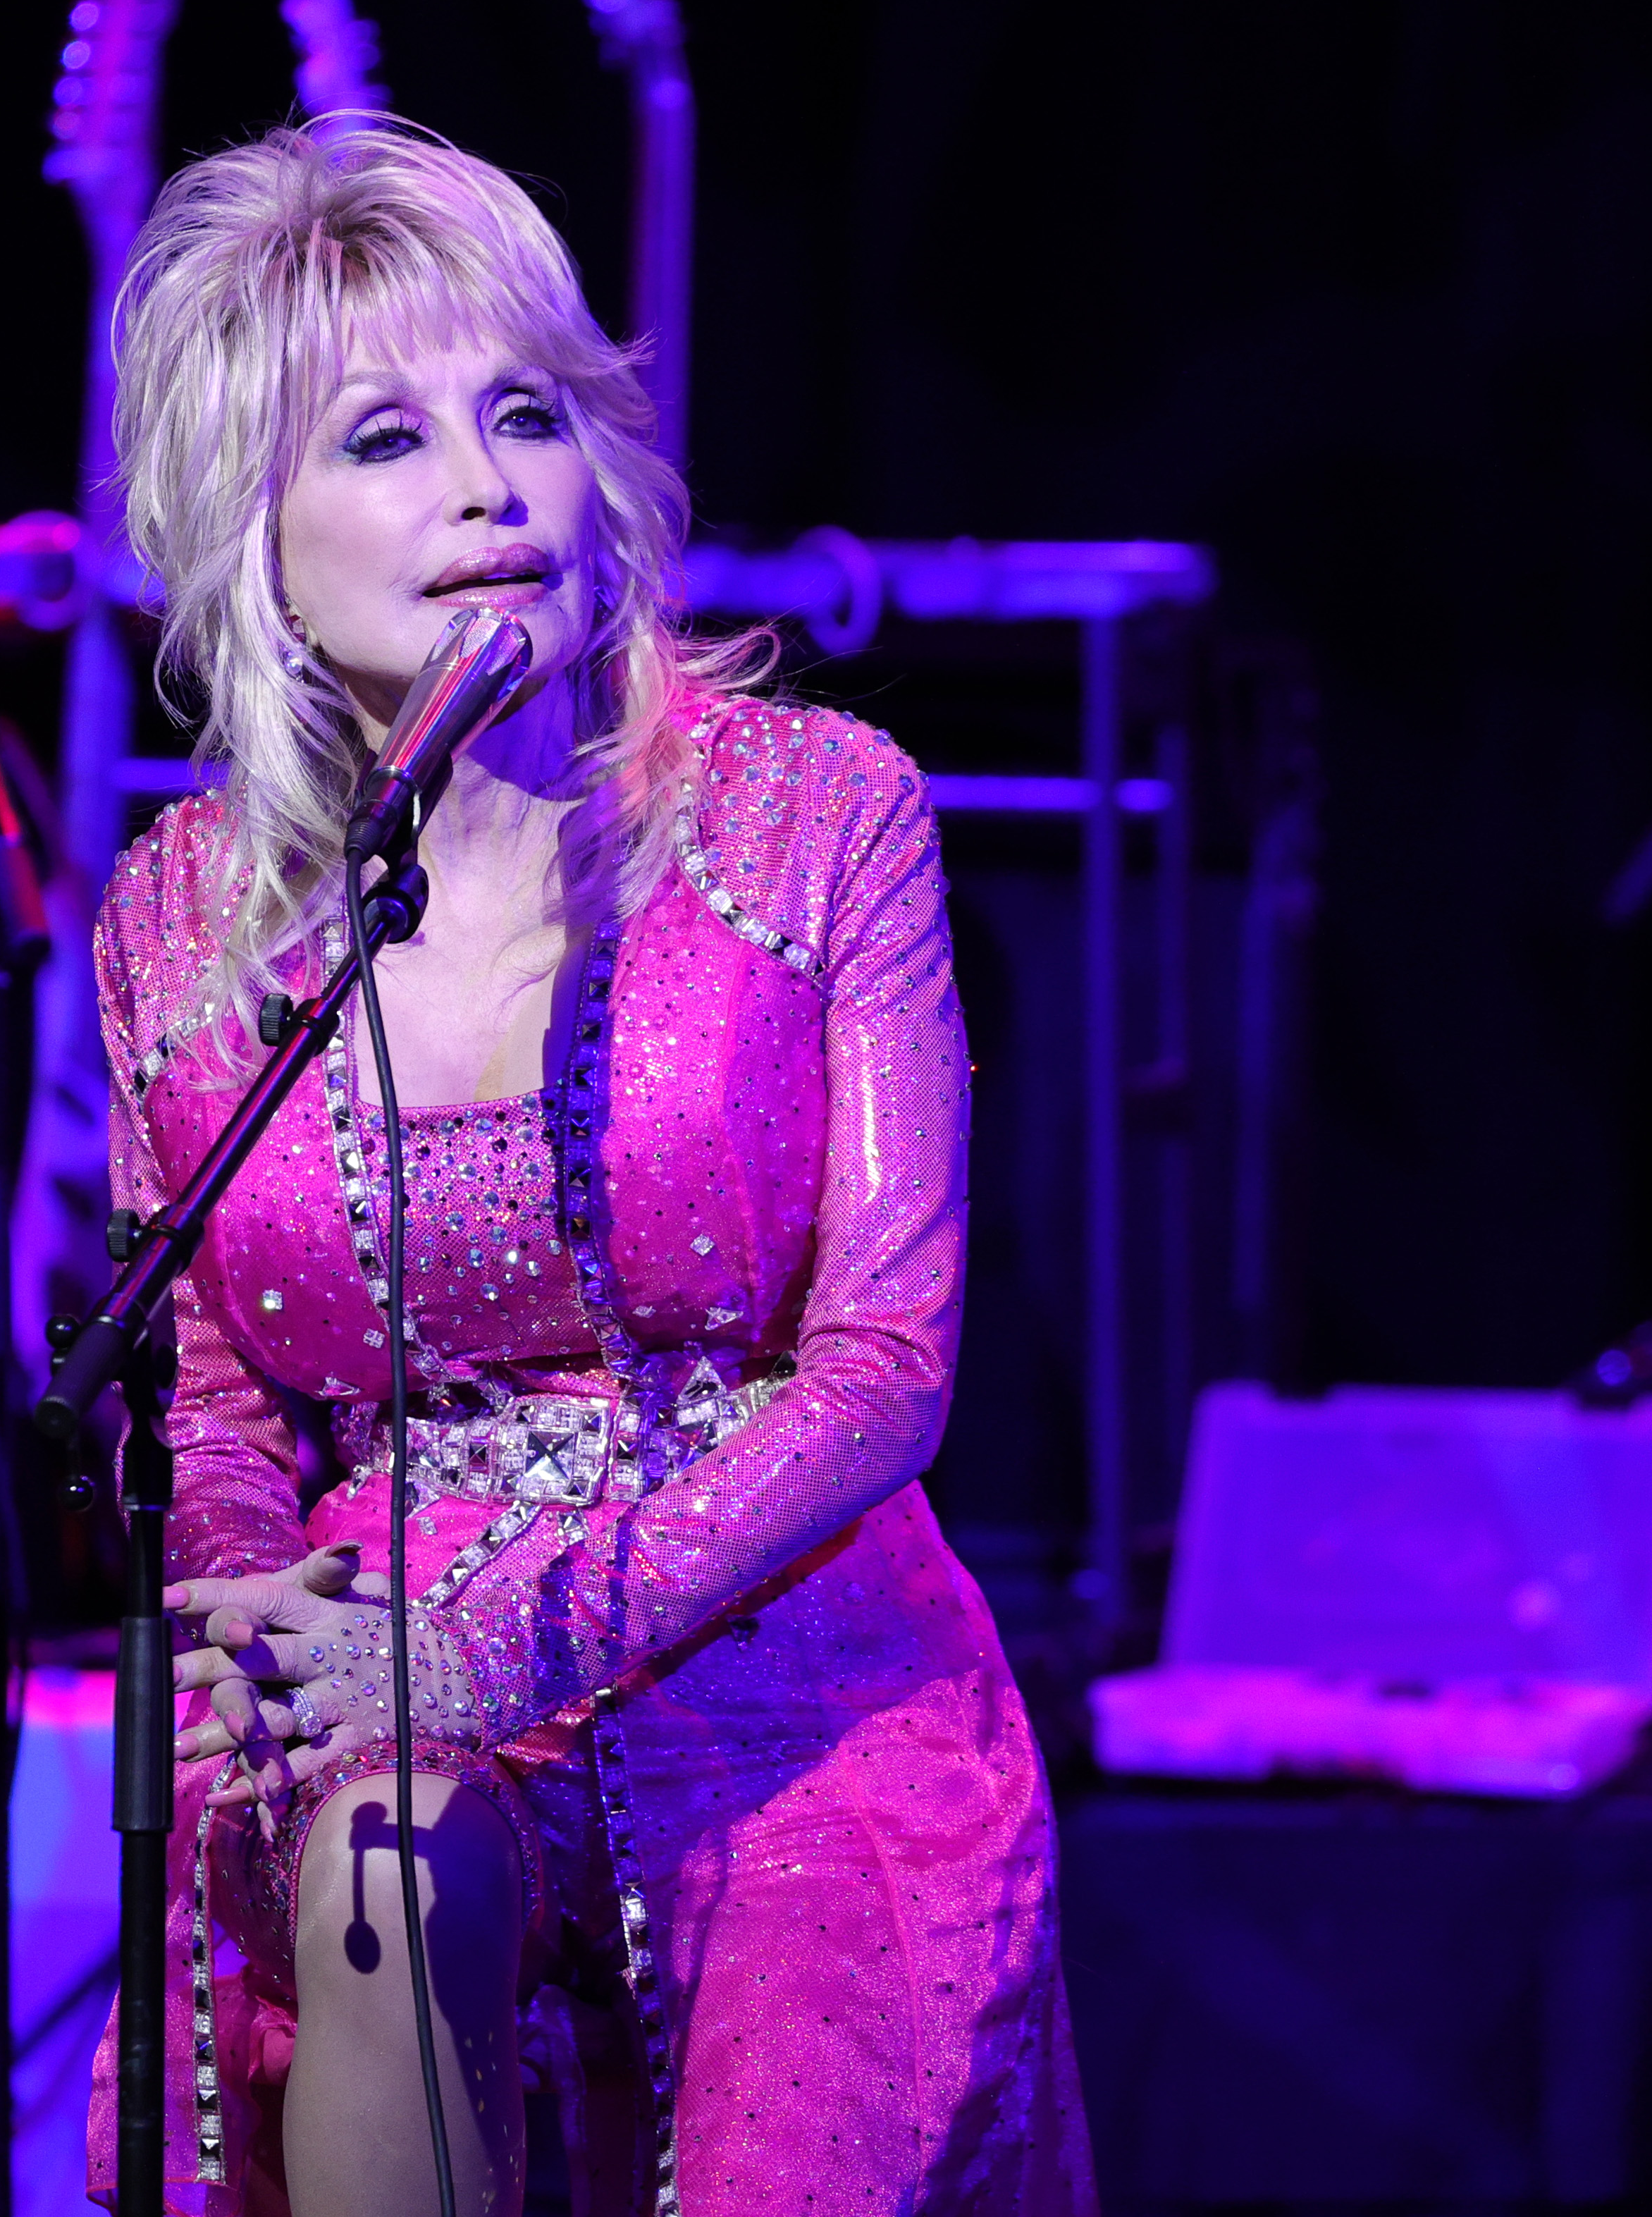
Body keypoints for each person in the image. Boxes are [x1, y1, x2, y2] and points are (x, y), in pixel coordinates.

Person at [85, 118, 1093, 2217]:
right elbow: (210, 1403)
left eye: (523, 412)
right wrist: (261, 1614)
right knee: (381, 1860)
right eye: (383, 434)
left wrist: (518, 1640)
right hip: (370, 1668)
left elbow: (890, 1366)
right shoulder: (181, 921)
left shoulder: (818, 812)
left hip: (789, 1661)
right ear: (250, 536)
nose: (483, 484)